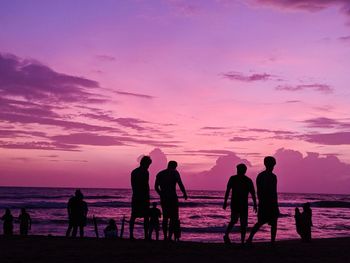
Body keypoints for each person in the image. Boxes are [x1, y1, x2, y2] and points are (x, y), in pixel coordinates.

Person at [246, 156, 279, 245]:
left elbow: (273, 191)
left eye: (273, 164)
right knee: (261, 222)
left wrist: (275, 203)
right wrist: (263, 201)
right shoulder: (263, 176)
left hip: (270, 202)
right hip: (266, 202)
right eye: (271, 164)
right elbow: (261, 191)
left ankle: (272, 241)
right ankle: (250, 239)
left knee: (272, 223)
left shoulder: (272, 176)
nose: (272, 166)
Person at [223, 163, 257, 244]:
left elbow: (252, 193)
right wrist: (225, 202)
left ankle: (242, 241)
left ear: (244, 171)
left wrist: (255, 204)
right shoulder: (233, 178)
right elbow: (227, 191)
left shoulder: (248, 180)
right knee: (234, 221)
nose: (239, 171)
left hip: (243, 204)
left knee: (243, 223)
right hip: (235, 203)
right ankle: (227, 235)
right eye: (238, 170)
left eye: (240, 170)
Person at [155, 160, 188, 241]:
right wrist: (184, 193)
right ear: (175, 166)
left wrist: (161, 194)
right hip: (173, 197)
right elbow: (180, 183)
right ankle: (169, 236)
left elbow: (156, 187)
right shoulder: (175, 173)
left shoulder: (160, 173)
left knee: (165, 217)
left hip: (164, 198)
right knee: (173, 218)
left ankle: (165, 237)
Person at [130, 156, 152, 240]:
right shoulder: (145, 172)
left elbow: (132, 185)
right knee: (146, 216)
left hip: (135, 195)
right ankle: (146, 236)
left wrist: (136, 193)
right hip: (143, 196)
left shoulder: (134, 172)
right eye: (148, 164)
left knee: (133, 216)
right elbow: (145, 185)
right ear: (145, 163)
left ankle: (131, 235)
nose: (148, 166)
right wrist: (147, 196)